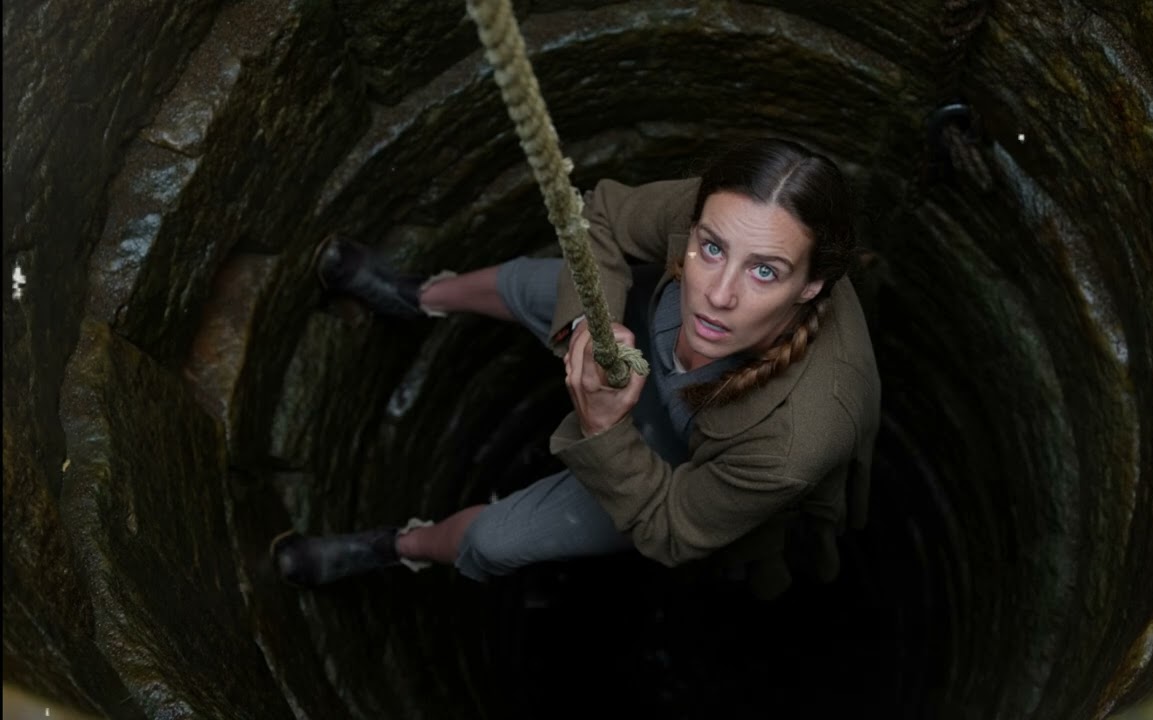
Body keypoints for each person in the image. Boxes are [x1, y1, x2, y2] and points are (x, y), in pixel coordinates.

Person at [272, 138, 881, 600]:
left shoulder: (798, 439)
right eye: (712, 248)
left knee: (496, 540)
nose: (717, 295)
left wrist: (605, 428)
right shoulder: (735, 212)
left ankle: (398, 545)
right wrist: (589, 326)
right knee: (539, 284)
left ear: (811, 286)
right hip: (638, 332)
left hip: (688, 459)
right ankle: (419, 297)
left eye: (765, 272)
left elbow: (671, 529)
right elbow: (607, 217)